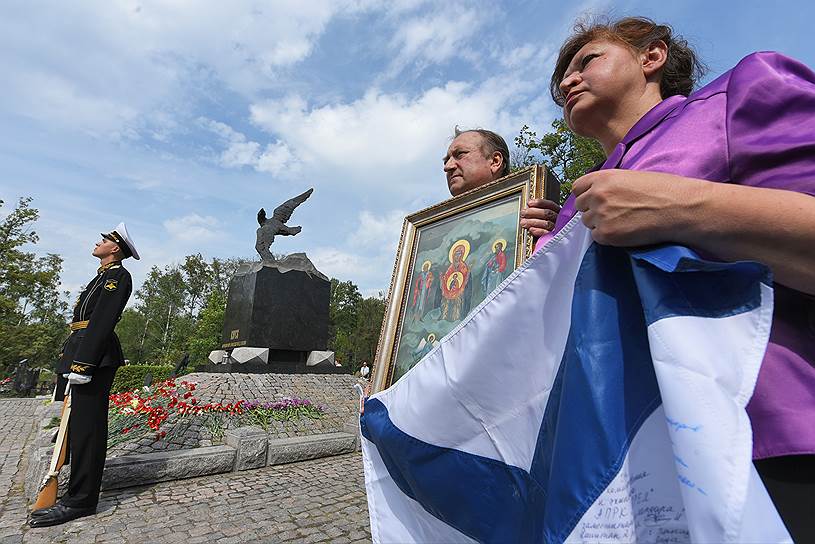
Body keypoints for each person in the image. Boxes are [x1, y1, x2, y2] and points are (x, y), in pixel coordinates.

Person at [548, 16, 815, 541]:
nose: (566, 83)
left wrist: (681, 208)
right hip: (615, 483)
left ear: (652, 58)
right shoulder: (569, 214)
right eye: (562, 78)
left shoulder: (741, 94)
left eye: (587, 61)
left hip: (764, 447)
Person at [29, 223, 139, 528]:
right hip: (81, 351)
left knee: (88, 431)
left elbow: (102, 321)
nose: (98, 241)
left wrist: (84, 364)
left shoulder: (119, 277)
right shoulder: (102, 276)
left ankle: (81, 500)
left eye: (104, 239)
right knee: (78, 428)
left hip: (95, 357)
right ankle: (75, 491)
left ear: (115, 247)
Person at [442, 127, 561, 239]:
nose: (448, 167)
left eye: (460, 154)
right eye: (446, 161)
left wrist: (561, 231)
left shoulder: (531, 213)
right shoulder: (434, 234)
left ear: (495, 161)